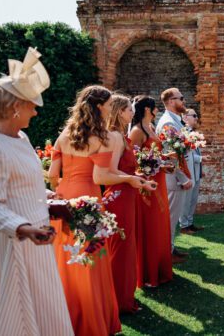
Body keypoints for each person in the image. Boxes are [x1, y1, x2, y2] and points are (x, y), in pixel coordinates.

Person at [0, 48, 73, 336]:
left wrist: (47, 197)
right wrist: (23, 228)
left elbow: (21, 183)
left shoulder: (21, 137)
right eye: (31, 106)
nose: (35, 112)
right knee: (21, 313)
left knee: (45, 306)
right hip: (17, 241)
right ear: (15, 107)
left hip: (37, 235)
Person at [49, 85, 147, 336]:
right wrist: (129, 179)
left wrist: (60, 192)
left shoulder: (64, 135)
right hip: (88, 200)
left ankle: (65, 319)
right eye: (110, 103)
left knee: (66, 261)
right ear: (100, 106)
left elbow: (52, 175)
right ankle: (91, 322)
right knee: (90, 261)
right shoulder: (100, 137)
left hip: (64, 200)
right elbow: (101, 176)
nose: (111, 108)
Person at [105, 94, 155, 311]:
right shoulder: (115, 137)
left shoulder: (121, 136)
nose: (132, 112)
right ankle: (120, 301)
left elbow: (123, 170)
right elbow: (110, 172)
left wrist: (140, 180)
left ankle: (124, 296)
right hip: (119, 196)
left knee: (127, 248)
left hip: (128, 193)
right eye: (128, 109)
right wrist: (132, 179)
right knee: (122, 249)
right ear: (119, 112)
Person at [129, 95, 176, 285]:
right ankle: (149, 274)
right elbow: (133, 160)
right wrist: (157, 166)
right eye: (155, 107)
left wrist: (165, 160)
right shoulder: (136, 131)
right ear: (148, 109)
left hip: (159, 180)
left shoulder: (151, 127)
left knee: (161, 223)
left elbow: (152, 155)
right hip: (147, 184)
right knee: (151, 225)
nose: (157, 110)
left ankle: (160, 267)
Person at [155, 88, 193, 260]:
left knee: (173, 217)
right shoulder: (168, 123)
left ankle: (170, 247)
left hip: (177, 174)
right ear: (171, 101)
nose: (183, 101)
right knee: (170, 218)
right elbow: (170, 154)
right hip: (173, 178)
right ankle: (167, 253)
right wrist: (182, 178)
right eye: (181, 98)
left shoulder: (175, 120)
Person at [180, 108, 210, 234]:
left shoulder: (192, 133)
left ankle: (190, 223)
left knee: (193, 201)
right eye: (194, 115)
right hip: (188, 173)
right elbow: (186, 156)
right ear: (185, 118)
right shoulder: (183, 133)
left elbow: (194, 154)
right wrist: (201, 158)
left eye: (196, 115)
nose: (197, 118)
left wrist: (200, 168)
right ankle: (184, 226)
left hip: (195, 171)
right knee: (186, 201)